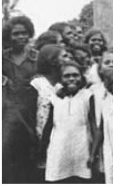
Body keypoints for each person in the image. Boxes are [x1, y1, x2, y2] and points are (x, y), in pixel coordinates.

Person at [41, 61, 94, 183]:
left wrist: (94, 152)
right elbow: (49, 125)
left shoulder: (87, 96)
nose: (71, 79)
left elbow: (93, 125)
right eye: (67, 76)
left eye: (75, 75)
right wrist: (43, 148)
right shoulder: (55, 98)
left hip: (81, 149)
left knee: (81, 178)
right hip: (59, 149)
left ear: (81, 77)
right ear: (60, 78)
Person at [31, 44, 70, 182]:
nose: (69, 58)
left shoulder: (63, 86)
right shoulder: (37, 84)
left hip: (58, 140)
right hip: (38, 139)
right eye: (64, 56)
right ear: (52, 61)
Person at [2, 16, 38, 90]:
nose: (21, 36)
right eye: (16, 34)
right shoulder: (3, 57)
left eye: (24, 33)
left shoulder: (37, 57)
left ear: (29, 34)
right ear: (8, 36)